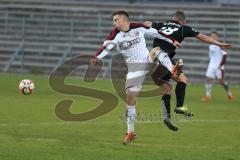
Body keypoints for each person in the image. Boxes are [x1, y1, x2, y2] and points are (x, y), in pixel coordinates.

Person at [91, 10, 182, 145]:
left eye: (116, 20)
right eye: (113, 20)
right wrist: (96, 57)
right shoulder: (115, 35)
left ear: (124, 19)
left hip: (148, 61)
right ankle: (131, 133)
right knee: (130, 99)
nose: (114, 22)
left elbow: (157, 33)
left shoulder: (138, 27)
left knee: (156, 49)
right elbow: (106, 46)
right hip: (135, 70)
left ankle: (173, 69)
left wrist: (172, 40)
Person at [144, 10, 232, 130]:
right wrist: (219, 44)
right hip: (164, 60)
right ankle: (179, 107)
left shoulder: (160, 24)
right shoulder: (183, 28)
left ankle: (167, 117)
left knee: (168, 88)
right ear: (182, 21)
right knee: (182, 80)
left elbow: (145, 24)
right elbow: (203, 37)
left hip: (153, 62)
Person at [201, 31, 234, 102]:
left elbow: (225, 54)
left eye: (214, 36)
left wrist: (221, 65)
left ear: (217, 37)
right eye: (212, 36)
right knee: (208, 79)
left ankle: (229, 93)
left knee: (221, 82)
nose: (213, 37)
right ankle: (208, 96)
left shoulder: (220, 45)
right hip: (211, 66)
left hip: (219, 67)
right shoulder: (210, 46)